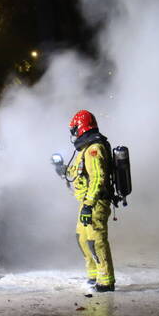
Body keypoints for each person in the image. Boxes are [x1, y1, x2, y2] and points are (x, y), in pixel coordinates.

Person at [66, 110, 116, 292]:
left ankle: (106, 281)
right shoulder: (85, 148)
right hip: (87, 203)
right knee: (82, 237)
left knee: (97, 239)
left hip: (96, 203)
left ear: (81, 127)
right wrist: (61, 169)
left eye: (74, 130)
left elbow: (98, 178)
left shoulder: (94, 148)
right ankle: (94, 274)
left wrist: (89, 205)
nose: (73, 134)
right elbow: (77, 172)